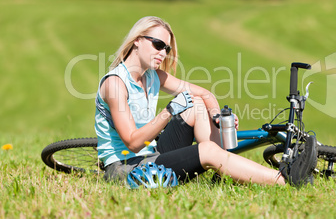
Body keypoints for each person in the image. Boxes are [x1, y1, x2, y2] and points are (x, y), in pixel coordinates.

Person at [94, 16, 317, 187]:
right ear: (136, 42)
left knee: (197, 106)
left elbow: (206, 95)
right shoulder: (115, 84)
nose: (163, 53)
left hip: (150, 155)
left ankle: (222, 166)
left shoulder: (153, 76)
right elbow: (133, 143)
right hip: (125, 168)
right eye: (157, 44)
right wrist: (169, 111)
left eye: (167, 48)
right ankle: (286, 179)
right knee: (207, 149)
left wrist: (216, 117)